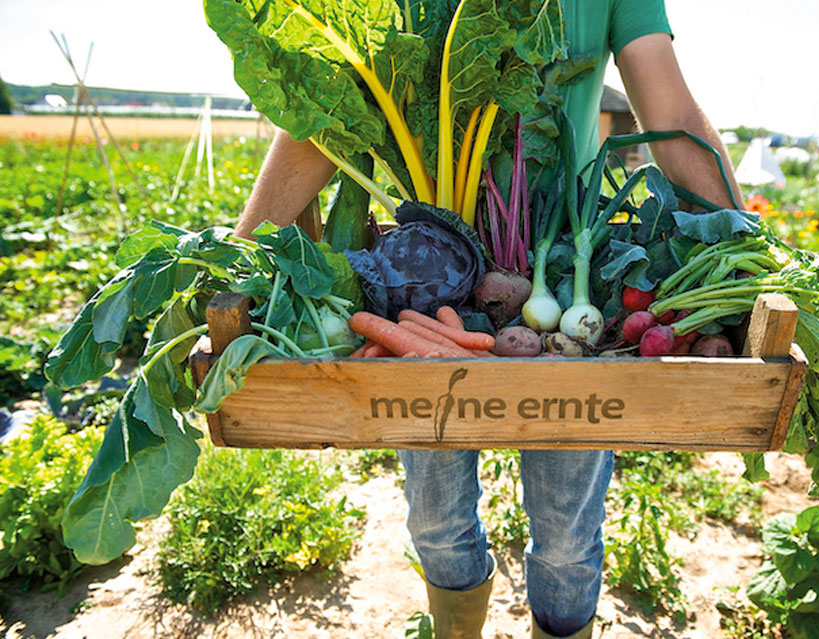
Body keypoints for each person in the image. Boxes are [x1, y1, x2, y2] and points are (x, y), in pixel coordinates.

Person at [235, 2, 743, 637]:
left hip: (558, 266)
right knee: (435, 523)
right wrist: (242, 257)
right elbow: (324, 112)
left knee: (566, 533)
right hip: (425, 282)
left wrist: (744, 245)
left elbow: (671, 116)